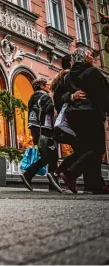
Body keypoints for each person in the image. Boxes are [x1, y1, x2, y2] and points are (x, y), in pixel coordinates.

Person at [51, 54, 108, 193]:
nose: (92, 56)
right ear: (84, 58)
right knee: (97, 149)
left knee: (86, 149)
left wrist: (70, 97)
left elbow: (58, 96)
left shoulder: (68, 76)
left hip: (74, 116)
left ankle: (94, 185)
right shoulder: (93, 72)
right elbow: (104, 94)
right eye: (89, 54)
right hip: (91, 114)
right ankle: (70, 174)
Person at [20, 78, 62, 192]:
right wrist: (55, 112)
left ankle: (53, 185)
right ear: (42, 86)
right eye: (46, 85)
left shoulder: (32, 98)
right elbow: (48, 110)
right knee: (51, 155)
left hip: (36, 129)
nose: (48, 87)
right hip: (45, 129)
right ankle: (29, 174)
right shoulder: (45, 97)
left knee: (49, 156)